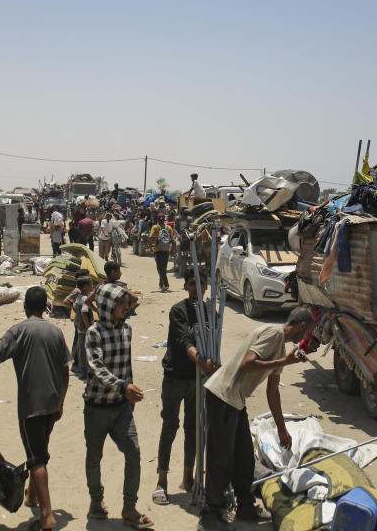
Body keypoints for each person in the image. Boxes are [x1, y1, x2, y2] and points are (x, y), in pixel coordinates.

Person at [0, 287, 71, 531]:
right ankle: (32, 496)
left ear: (24, 307)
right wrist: (61, 402)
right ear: (45, 307)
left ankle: (46, 516)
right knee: (40, 449)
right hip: (52, 403)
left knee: (36, 458)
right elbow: (65, 371)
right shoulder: (56, 331)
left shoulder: (18, 331)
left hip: (32, 407)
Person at [199, 309, 314, 530]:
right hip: (223, 396)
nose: (307, 336)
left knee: (244, 458)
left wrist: (282, 429)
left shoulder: (281, 348)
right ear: (301, 326)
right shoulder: (274, 334)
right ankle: (210, 514)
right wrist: (285, 361)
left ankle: (246, 507)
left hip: (236, 401)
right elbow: (247, 364)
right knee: (220, 459)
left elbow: (273, 391)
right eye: (308, 331)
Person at [83, 283, 153, 529]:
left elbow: (126, 366)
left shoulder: (127, 330)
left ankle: (129, 507)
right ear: (108, 306)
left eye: (126, 303)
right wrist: (124, 387)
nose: (126, 307)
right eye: (121, 303)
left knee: (133, 454)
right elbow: (97, 368)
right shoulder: (94, 332)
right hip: (96, 407)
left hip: (121, 407)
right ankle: (96, 502)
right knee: (94, 457)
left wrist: (128, 392)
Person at [152, 267, 218, 506]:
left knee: (194, 428)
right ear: (185, 286)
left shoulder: (211, 312)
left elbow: (214, 342)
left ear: (206, 286)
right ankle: (161, 480)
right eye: (192, 284)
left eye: (200, 284)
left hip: (197, 381)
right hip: (175, 377)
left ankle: (188, 477)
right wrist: (200, 360)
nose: (196, 289)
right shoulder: (178, 311)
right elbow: (184, 340)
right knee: (170, 426)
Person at [72, 276, 94, 379]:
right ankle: (89, 372)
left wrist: (77, 322)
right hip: (85, 329)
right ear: (85, 287)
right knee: (89, 350)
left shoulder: (79, 297)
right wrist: (88, 327)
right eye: (91, 284)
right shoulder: (85, 298)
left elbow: (76, 309)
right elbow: (84, 313)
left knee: (81, 351)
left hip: (80, 328)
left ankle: (83, 373)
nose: (92, 286)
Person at [148, 214, 175, 291]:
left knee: (160, 268)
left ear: (157, 219)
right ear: (164, 220)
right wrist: (174, 251)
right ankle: (161, 284)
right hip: (166, 250)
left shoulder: (155, 227)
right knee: (163, 268)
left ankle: (166, 284)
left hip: (158, 250)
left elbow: (150, 237)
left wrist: (150, 247)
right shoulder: (169, 227)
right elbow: (173, 240)